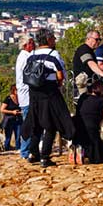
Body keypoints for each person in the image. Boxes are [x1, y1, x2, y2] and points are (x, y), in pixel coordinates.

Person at [20, 28, 74, 168]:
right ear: (49, 40)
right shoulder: (53, 54)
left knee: (36, 123)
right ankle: (45, 156)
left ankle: (33, 154)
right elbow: (60, 75)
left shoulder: (32, 55)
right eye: (53, 39)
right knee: (50, 124)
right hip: (49, 92)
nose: (54, 41)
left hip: (34, 93)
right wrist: (58, 83)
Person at [72, 81, 103, 165]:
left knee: (96, 146)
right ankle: (86, 156)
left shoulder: (83, 97)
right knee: (99, 153)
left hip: (78, 127)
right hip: (91, 130)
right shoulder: (100, 101)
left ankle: (78, 152)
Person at [14, 35, 35, 159]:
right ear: (25, 45)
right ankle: (25, 151)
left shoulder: (23, 57)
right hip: (27, 95)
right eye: (31, 43)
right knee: (28, 123)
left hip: (26, 94)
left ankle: (28, 149)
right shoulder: (26, 57)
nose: (33, 45)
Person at [72, 30, 103, 95]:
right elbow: (91, 63)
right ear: (88, 39)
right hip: (82, 87)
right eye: (96, 39)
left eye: (99, 39)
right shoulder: (83, 49)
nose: (98, 42)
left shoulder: (90, 51)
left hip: (88, 85)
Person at [0, 86, 23, 151]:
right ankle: (6, 149)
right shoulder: (8, 99)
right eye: (17, 90)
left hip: (18, 119)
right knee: (8, 136)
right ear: (13, 90)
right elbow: (2, 109)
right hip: (9, 120)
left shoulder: (20, 98)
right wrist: (12, 112)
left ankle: (18, 148)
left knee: (18, 136)